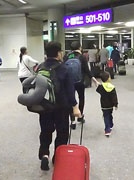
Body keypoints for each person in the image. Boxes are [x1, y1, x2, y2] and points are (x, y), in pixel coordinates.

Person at [37, 41, 81, 171]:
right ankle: (58, 157)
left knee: (45, 131)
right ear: (58, 53)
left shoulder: (40, 67)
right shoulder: (64, 68)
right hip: (61, 107)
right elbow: (70, 90)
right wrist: (75, 107)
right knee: (62, 133)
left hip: (44, 107)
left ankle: (44, 155)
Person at [65, 41, 98, 130]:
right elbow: (87, 70)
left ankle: (72, 121)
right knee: (81, 98)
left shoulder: (67, 56)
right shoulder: (82, 57)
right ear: (80, 47)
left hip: (69, 82)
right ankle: (80, 116)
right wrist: (94, 79)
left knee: (71, 100)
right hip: (80, 82)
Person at [96, 71, 118, 136]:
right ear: (108, 79)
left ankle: (107, 129)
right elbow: (114, 97)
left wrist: (98, 84)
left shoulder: (101, 87)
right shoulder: (112, 87)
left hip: (103, 105)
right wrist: (116, 104)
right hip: (110, 105)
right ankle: (110, 124)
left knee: (106, 116)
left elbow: (97, 90)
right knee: (110, 114)